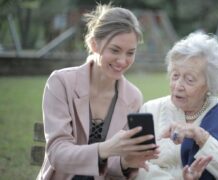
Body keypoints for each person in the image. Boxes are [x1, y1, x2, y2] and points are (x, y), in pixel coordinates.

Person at [37, 4, 160, 179]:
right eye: (115, 50)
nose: (122, 61)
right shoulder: (61, 82)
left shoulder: (133, 97)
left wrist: (126, 163)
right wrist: (106, 149)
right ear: (94, 44)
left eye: (130, 53)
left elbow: (115, 167)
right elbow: (57, 154)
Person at [135, 32, 218, 180]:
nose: (178, 85)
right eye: (175, 75)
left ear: (209, 84)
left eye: (189, 79)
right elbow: (135, 165)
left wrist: (199, 136)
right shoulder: (151, 110)